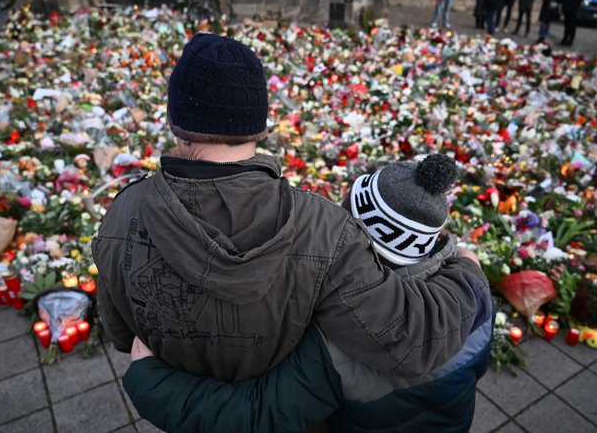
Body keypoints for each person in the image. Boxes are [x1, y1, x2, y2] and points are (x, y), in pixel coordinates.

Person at [93, 33, 486, 387]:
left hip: (179, 409)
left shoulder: (122, 214)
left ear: (174, 121)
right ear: (260, 125)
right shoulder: (323, 229)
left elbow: (121, 333)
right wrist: (466, 270)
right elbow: (410, 341)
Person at [123, 154, 494, 433]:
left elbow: (256, 414)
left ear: (351, 228)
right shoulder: (472, 291)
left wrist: (150, 379)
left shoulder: (339, 339)